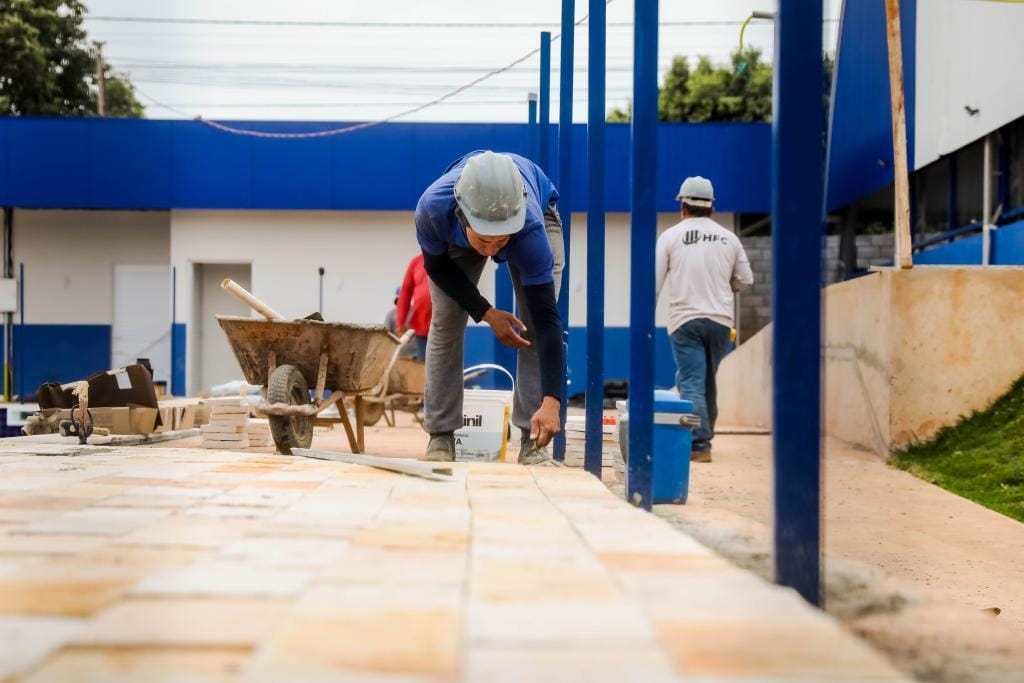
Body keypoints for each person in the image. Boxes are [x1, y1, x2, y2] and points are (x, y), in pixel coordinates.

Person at [415, 150, 564, 464]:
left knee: (533, 329)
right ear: (462, 218)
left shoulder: (529, 231)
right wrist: (486, 312)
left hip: (532, 217)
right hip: (461, 239)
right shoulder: (434, 209)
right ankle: (440, 437)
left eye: (501, 241)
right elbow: (439, 269)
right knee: (445, 323)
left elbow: (548, 320)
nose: (494, 250)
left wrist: (553, 400)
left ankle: (532, 443)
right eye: (485, 241)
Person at [655, 176, 753, 462]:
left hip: (685, 320)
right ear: (711, 207)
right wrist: (725, 288)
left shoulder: (671, 237)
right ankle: (705, 436)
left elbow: (654, 283)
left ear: (682, 205)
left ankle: (699, 445)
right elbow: (746, 280)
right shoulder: (729, 238)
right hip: (721, 321)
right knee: (707, 379)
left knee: (692, 381)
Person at [395, 253, 432, 361]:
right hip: (422, 325)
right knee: (423, 364)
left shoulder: (451, 257)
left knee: (444, 365)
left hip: (446, 326)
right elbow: (405, 292)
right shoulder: (416, 262)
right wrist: (401, 321)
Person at [384, 289, 417, 359]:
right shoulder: (390, 315)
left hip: (414, 354)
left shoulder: (416, 313)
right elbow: (387, 334)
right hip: (397, 354)